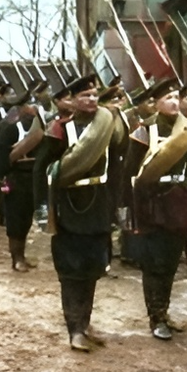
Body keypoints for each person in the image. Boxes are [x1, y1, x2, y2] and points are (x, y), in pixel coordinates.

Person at [36, 75, 117, 352]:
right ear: (72, 100)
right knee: (71, 271)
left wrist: (116, 205)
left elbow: (116, 167)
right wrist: (43, 208)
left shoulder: (106, 128)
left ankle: (85, 323)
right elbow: (41, 170)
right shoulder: (60, 130)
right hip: (69, 206)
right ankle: (74, 330)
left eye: (95, 95)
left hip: (97, 205)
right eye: (85, 96)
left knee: (92, 268)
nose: (92, 100)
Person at [122, 78, 187, 340]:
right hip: (152, 204)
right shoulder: (145, 131)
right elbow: (130, 172)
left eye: (177, 97)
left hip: (178, 203)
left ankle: (163, 312)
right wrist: (128, 209)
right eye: (168, 98)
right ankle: (156, 317)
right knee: (154, 264)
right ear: (155, 103)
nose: (174, 102)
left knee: (171, 263)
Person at [0, 86, 42, 272]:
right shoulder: (10, 127)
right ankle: (16, 258)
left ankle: (23, 255)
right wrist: (0, 180)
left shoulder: (37, 125)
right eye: (30, 104)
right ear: (21, 107)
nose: (35, 107)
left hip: (32, 178)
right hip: (15, 178)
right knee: (15, 220)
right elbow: (0, 156)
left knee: (27, 219)